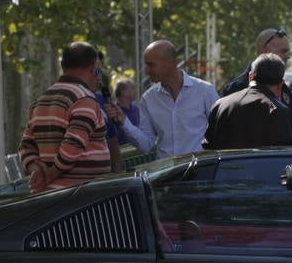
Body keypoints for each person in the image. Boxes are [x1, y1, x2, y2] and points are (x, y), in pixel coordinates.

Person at [19, 42, 112, 193]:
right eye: (98, 71)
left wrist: (36, 170)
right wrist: (49, 175)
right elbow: (72, 147)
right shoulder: (84, 100)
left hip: (48, 196)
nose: (99, 77)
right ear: (93, 68)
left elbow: (26, 146)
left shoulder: (41, 99)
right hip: (79, 199)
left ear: (63, 66)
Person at [112, 40, 218, 159]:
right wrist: (124, 121)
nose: (146, 70)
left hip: (202, 172)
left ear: (169, 63)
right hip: (167, 174)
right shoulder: (148, 99)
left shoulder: (205, 91)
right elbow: (146, 145)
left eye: (151, 64)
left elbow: (221, 133)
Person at [203, 54, 292, 150]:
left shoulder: (220, 105)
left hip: (225, 165)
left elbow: (208, 147)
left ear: (250, 77)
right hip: (263, 165)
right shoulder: (280, 111)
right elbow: (284, 155)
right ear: (280, 85)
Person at [221, 28, 292, 108]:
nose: (288, 56)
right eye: (283, 51)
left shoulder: (285, 91)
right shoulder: (237, 88)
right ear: (265, 52)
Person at [112, 78, 142, 147]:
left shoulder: (136, 109)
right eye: (132, 88)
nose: (136, 91)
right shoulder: (113, 111)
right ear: (123, 92)